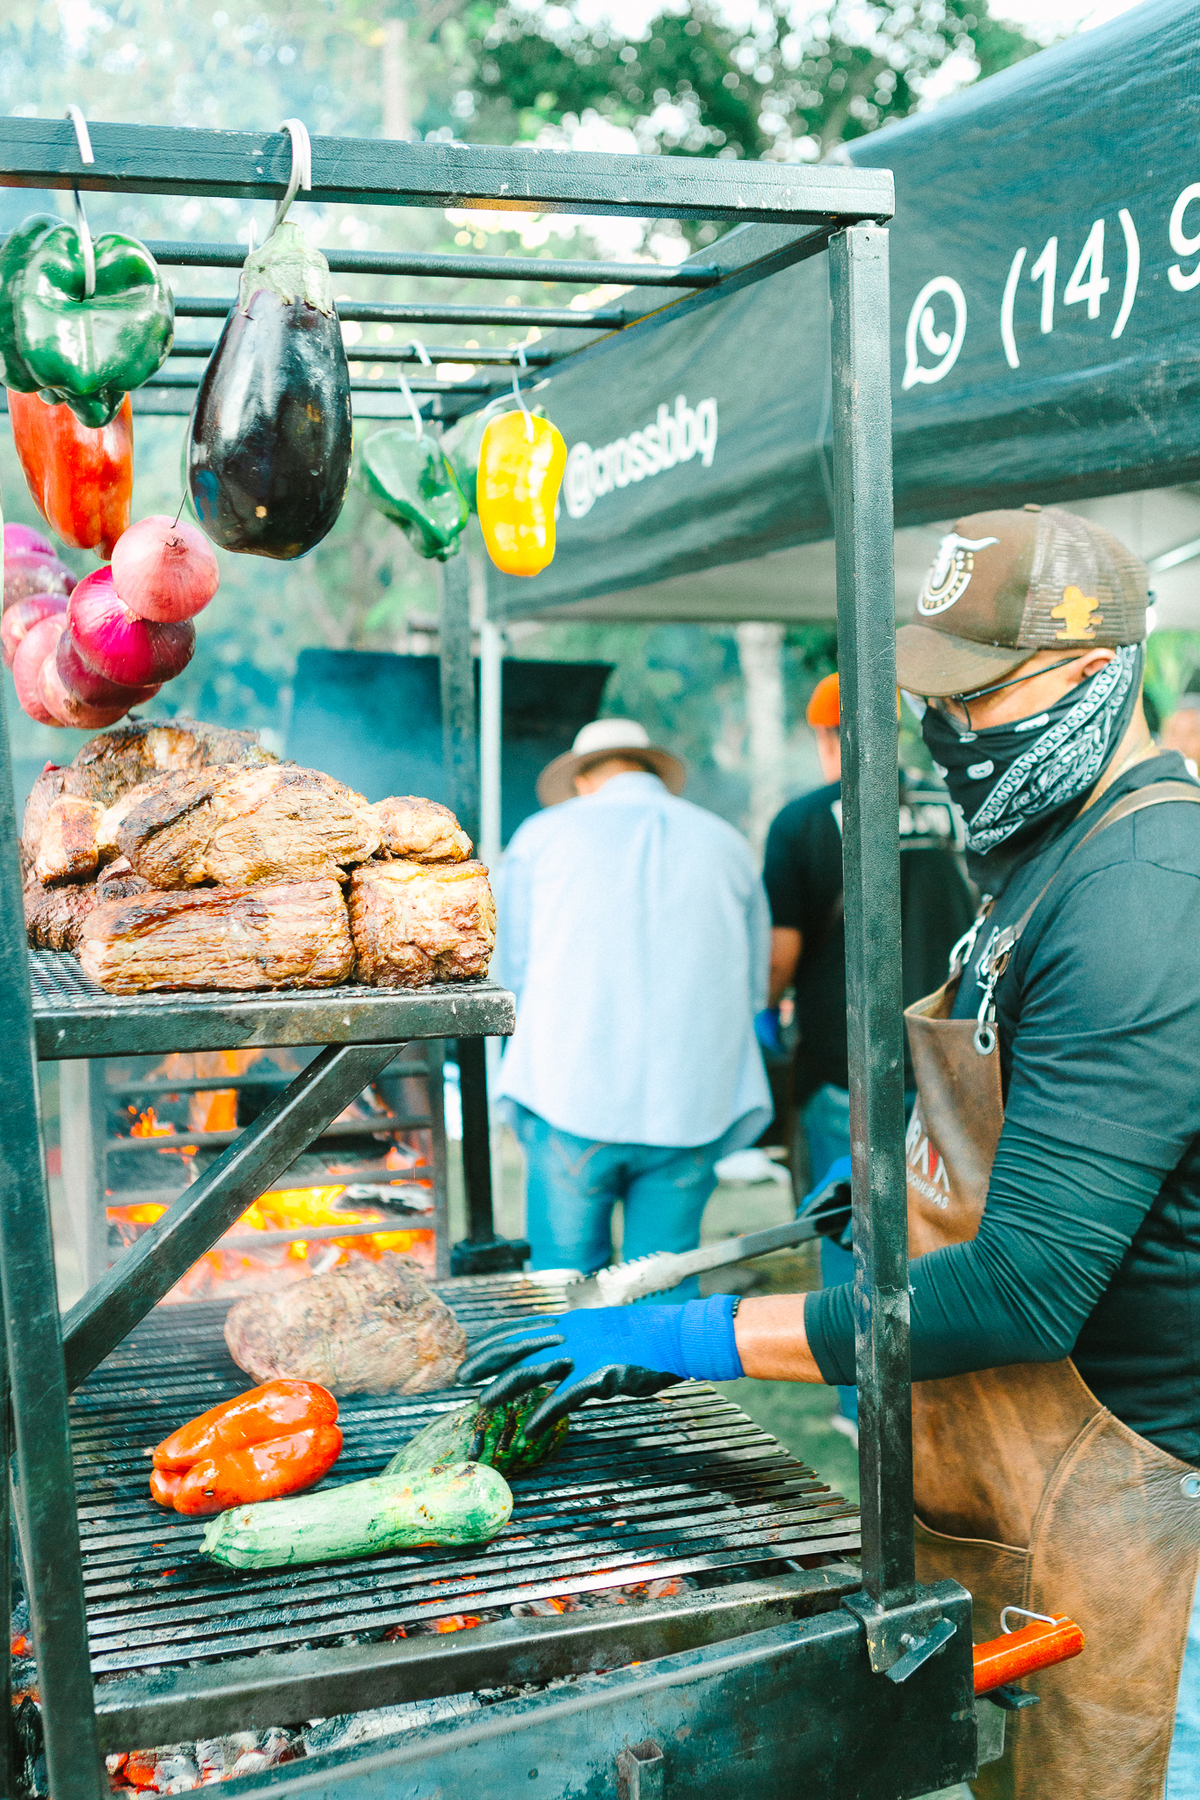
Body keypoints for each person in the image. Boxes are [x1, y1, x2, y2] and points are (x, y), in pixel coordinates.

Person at [466, 506, 1200, 1800]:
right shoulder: (1053, 845)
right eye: (934, 700)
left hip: (1102, 1488)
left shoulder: (1145, 892)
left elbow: (1024, 1289)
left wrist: (690, 1336)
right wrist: (901, 1180)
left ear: (1095, 675)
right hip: (999, 1466)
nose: (946, 731)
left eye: (975, 699)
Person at [762, 670, 975, 1439]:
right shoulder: (953, 805)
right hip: (951, 1058)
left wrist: (764, 1008)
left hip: (848, 1059)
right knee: (944, 1222)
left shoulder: (801, 822)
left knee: (848, 1224)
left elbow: (781, 956)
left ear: (826, 735)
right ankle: (941, 1391)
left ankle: (860, 1401)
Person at [492, 717, 772, 1290]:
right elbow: (753, 986)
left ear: (583, 780)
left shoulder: (541, 837)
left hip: (568, 1095)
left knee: (565, 1286)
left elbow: (505, 976)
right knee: (660, 1288)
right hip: (691, 1103)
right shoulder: (726, 842)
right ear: (650, 771)